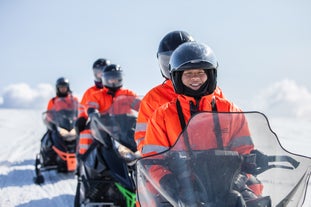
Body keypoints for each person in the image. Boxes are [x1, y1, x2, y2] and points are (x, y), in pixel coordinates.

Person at [140, 42, 262, 205]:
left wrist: (239, 178)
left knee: (256, 201)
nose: (195, 78)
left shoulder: (231, 111)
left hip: (226, 186)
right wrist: (168, 182)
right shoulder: (162, 116)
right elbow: (152, 159)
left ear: (210, 74)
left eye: (200, 72)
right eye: (188, 73)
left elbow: (245, 153)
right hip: (181, 188)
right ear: (177, 77)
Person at [134, 30, 225, 152]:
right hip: (174, 166)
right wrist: (162, 159)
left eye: (180, 58)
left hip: (213, 162)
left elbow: (227, 125)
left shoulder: (213, 91)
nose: (174, 63)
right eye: (168, 60)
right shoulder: (153, 98)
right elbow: (144, 139)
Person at [75, 58, 110, 155]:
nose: (101, 75)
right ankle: (84, 160)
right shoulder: (90, 92)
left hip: (115, 124)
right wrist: (82, 118)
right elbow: (82, 108)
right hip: (96, 124)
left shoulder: (114, 91)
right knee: (85, 134)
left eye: (104, 71)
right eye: (98, 72)